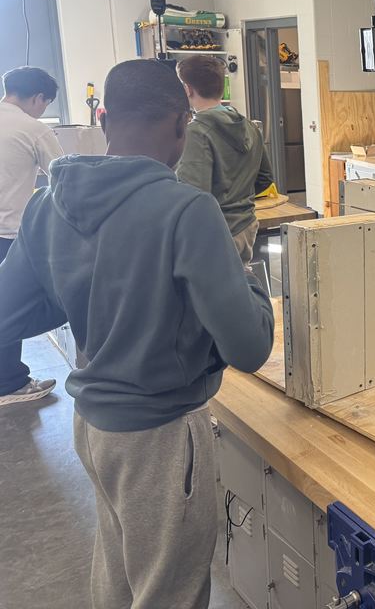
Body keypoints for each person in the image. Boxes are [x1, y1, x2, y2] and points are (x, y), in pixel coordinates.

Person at [0, 59, 275, 608]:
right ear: (181, 124)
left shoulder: (47, 204)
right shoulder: (187, 210)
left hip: (94, 428)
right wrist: (253, 283)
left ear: (103, 117)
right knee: (168, 592)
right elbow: (249, 347)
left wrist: (83, 292)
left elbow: (10, 315)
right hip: (162, 435)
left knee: (120, 569)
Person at [0, 66, 64, 407]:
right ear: (38, 98)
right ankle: (9, 383)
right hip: (8, 234)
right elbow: (65, 178)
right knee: (10, 306)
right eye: (45, 102)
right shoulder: (33, 128)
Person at [175, 54, 274, 263]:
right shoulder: (250, 126)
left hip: (216, 233)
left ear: (188, 89)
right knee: (239, 285)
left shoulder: (196, 132)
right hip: (247, 227)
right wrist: (238, 198)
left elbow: (193, 195)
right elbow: (265, 178)